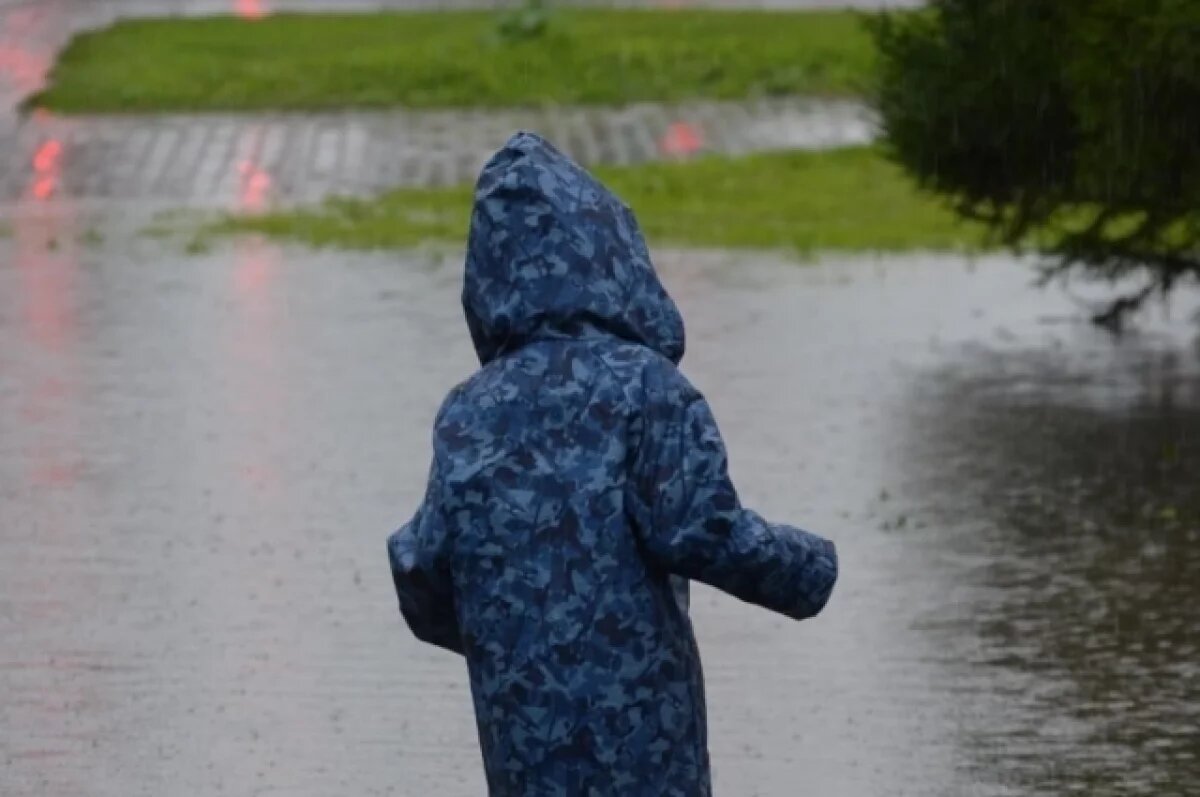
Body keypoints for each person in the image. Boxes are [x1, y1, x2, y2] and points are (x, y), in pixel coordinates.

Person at [387, 131, 839, 796]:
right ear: (613, 257)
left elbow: (424, 567)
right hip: (644, 734)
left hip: (522, 732)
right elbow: (699, 527)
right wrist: (809, 569)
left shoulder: (468, 411)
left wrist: (510, 635)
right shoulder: (646, 388)